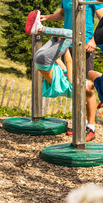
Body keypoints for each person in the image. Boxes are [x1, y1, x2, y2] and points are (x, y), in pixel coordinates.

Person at [25, 14, 98, 142]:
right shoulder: (69, 83)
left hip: (44, 61)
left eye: (87, 82)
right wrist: (61, 44)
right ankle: (39, 27)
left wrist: (66, 46)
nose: (85, 79)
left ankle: (40, 29)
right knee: (58, 37)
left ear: (85, 88)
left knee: (71, 34)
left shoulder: (73, 85)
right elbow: (61, 62)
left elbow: (69, 62)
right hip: (41, 58)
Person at [40, 0, 103, 79]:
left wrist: (94, 41)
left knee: (86, 83)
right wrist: (46, 17)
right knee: (69, 80)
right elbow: (62, 14)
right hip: (68, 43)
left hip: (86, 44)